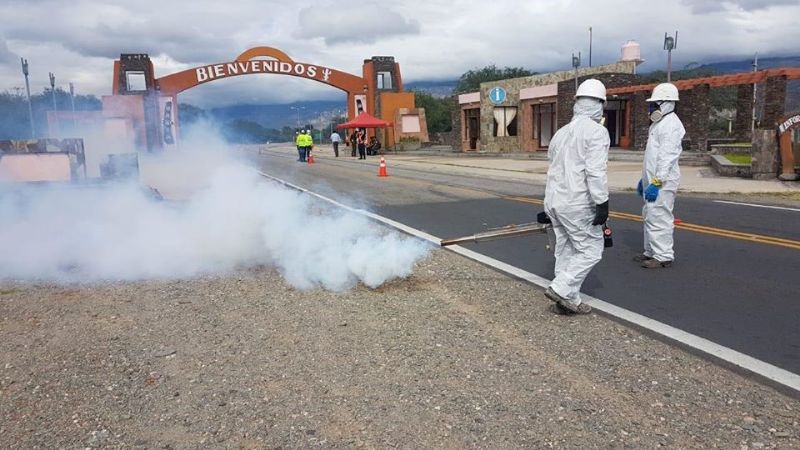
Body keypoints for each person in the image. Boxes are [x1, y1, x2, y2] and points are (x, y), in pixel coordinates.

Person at [542, 79, 610, 315]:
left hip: (555, 201)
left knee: (566, 249)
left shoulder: (561, 133)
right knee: (591, 249)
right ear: (600, 105)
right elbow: (595, 171)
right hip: (578, 203)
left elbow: (554, 170)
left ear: (577, 104)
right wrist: (602, 202)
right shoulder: (597, 132)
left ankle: (569, 299)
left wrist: (549, 204)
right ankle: (561, 288)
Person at [635, 82, 685, 269]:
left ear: (667, 103)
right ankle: (651, 251)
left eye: (655, 104)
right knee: (649, 214)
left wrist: (657, 182)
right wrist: (645, 180)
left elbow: (667, 157)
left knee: (660, 216)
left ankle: (663, 255)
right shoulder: (658, 124)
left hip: (662, 182)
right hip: (654, 179)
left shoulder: (671, 126)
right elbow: (652, 157)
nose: (652, 107)